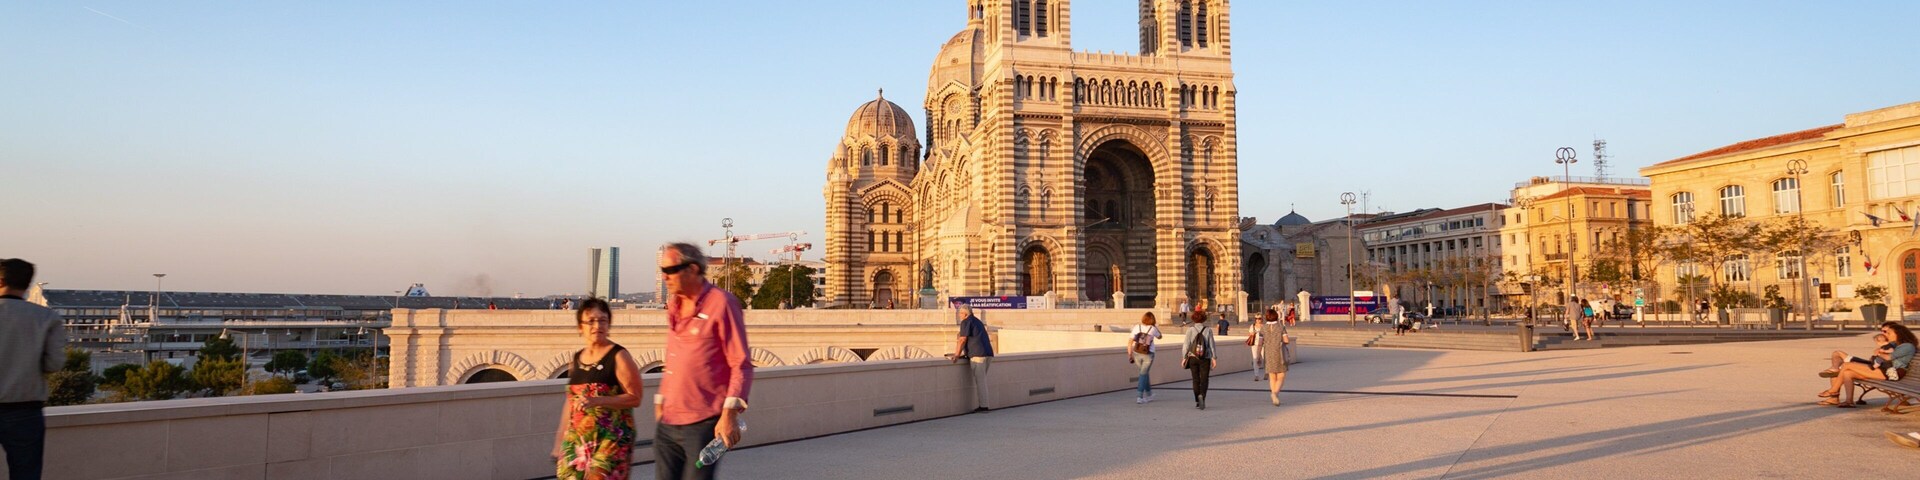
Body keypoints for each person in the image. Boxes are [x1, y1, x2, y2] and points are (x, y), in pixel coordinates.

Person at [655, 243, 753, 480]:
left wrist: (729, 415)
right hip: (668, 422)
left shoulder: (722, 303)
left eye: (671, 270)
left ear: (692, 269)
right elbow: (675, 356)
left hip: (702, 424)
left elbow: (741, 364)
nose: (664, 276)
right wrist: (661, 400)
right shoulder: (674, 305)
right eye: (662, 270)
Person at [552, 299, 643, 480]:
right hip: (579, 439)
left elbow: (635, 397)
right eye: (591, 321)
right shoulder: (577, 358)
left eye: (603, 320)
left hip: (612, 438)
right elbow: (571, 403)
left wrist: (599, 400)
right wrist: (559, 440)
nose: (597, 326)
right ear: (580, 327)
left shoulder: (619, 356)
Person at [1, 259, 64, 480]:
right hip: (25, 410)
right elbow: (54, 364)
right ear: (28, 283)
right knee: (25, 473)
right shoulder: (47, 317)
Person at [1819, 322, 1917, 407]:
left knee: (1846, 365)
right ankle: (1849, 401)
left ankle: (1834, 390)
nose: (1887, 335)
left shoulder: (1907, 346)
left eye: (1889, 333)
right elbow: (1880, 353)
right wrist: (1881, 352)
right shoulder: (1897, 344)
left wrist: (1880, 353)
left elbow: (1887, 357)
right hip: (1885, 369)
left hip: (1893, 373)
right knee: (1848, 373)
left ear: (1898, 334)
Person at [950, 303, 995, 412]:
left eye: (960, 313)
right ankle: (984, 404)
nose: (959, 315)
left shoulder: (966, 322)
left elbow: (962, 339)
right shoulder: (977, 321)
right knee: (982, 380)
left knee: (981, 381)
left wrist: (956, 355)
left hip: (978, 355)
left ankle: (983, 406)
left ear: (965, 314)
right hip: (988, 354)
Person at [1254, 309, 1291, 406]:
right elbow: (1286, 340)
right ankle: (1275, 394)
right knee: (1281, 376)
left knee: (1272, 376)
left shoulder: (1263, 328)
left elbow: (1260, 343)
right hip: (1279, 353)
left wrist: (1258, 356)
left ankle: (1274, 395)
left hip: (1268, 353)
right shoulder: (1281, 327)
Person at [1183, 311, 1218, 410]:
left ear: (1193, 318)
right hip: (1205, 358)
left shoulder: (1190, 330)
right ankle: (1202, 396)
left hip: (1193, 357)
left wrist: (1184, 357)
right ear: (1204, 319)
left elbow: (1186, 345)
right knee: (1204, 379)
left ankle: (1197, 401)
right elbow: (1211, 345)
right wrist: (1214, 358)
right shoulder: (1208, 330)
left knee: (1195, 379)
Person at [1128, 312, 1162, 404]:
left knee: (1144, 373)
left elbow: (1130, 342)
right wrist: (1155, 326)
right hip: (1148, 354)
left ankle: (1149, 395)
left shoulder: (1137, 327)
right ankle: (1139, 397)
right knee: (1143, 374)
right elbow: (1160, 336)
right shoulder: (1153, 329)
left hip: (1136, 353)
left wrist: (1130, 354)